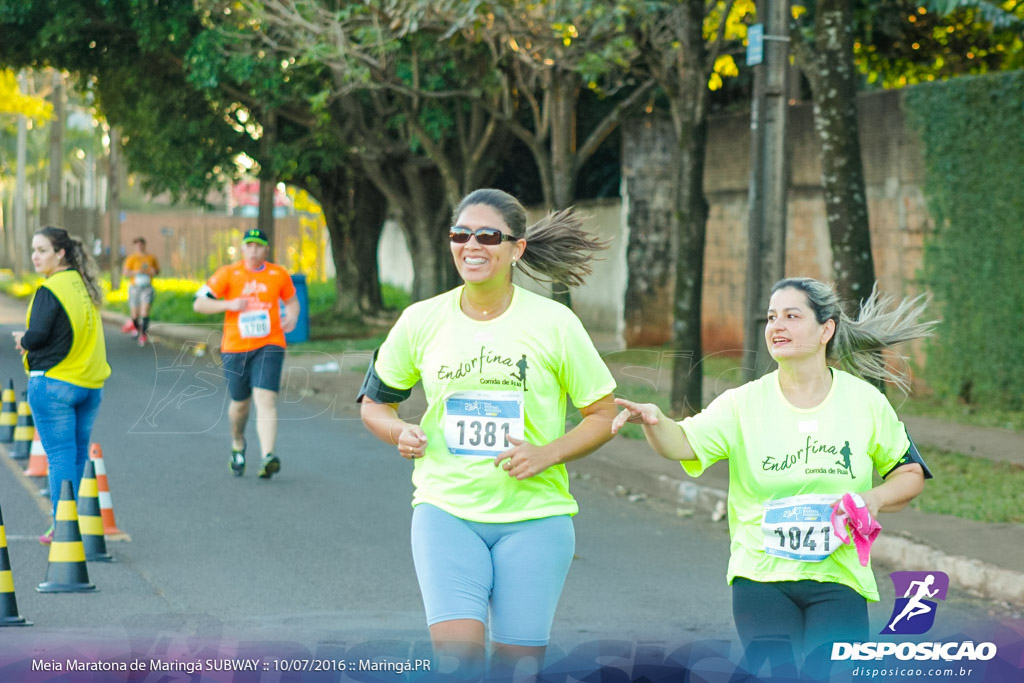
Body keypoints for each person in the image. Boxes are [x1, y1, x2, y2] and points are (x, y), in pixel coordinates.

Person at [611, 277, 935, 680]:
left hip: (840, 576)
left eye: (791, 316)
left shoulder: (864, 401)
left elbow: (909, 474)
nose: (776, 326)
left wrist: (873, 499)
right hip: (762, 576)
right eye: (771, 317)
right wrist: (655, 422)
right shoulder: (743, 402)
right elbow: (684, 444)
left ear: (826, 330)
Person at [358, 188, 618, 677]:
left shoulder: (555, 323)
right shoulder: (420, 320)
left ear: (516, 249)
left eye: (487, 236)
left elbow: (602, 414)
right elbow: (376, 404)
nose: (471, 245)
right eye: (460, 234)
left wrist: (547, 453)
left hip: (535, 519)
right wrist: (398, 432)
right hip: (446, 512)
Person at [13, 227, 110, 544]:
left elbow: (38, 335)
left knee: (59, 458)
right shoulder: (82, 286)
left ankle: (63, 527)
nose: (35, 256)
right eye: (33, 249)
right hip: (89, 386)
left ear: (61, 253)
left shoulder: (51, 289)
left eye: (42, 249)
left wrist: (22, 340)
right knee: (76, 456)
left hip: (55, 385)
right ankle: (73, 522)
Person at [193, 228, 299, 479]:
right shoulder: (228, 274)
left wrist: (292, 315)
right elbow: (199, 303)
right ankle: (238, 444)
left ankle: (268, 456)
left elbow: (292, 301)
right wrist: (228, 304)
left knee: (266, 398)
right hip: (235, 348)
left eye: (258, 245)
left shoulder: (278, 274)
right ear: (242, 249)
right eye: (249, 245)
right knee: (241, 404)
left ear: (266, 250)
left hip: (270, 343)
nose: (253, 250)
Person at [122, 236, 160, 345]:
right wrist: (136, 272)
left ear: (144, 245)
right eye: (137, 245)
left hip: (147, 287)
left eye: (141, 244)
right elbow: (125, 273)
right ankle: (136, 328)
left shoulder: (151, 257)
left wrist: (153, 271)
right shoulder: (132, 258)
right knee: (135, 314)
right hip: (135, 287)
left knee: (145, 311)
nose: (139, 247)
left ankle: (143, 335)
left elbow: (157, 270)